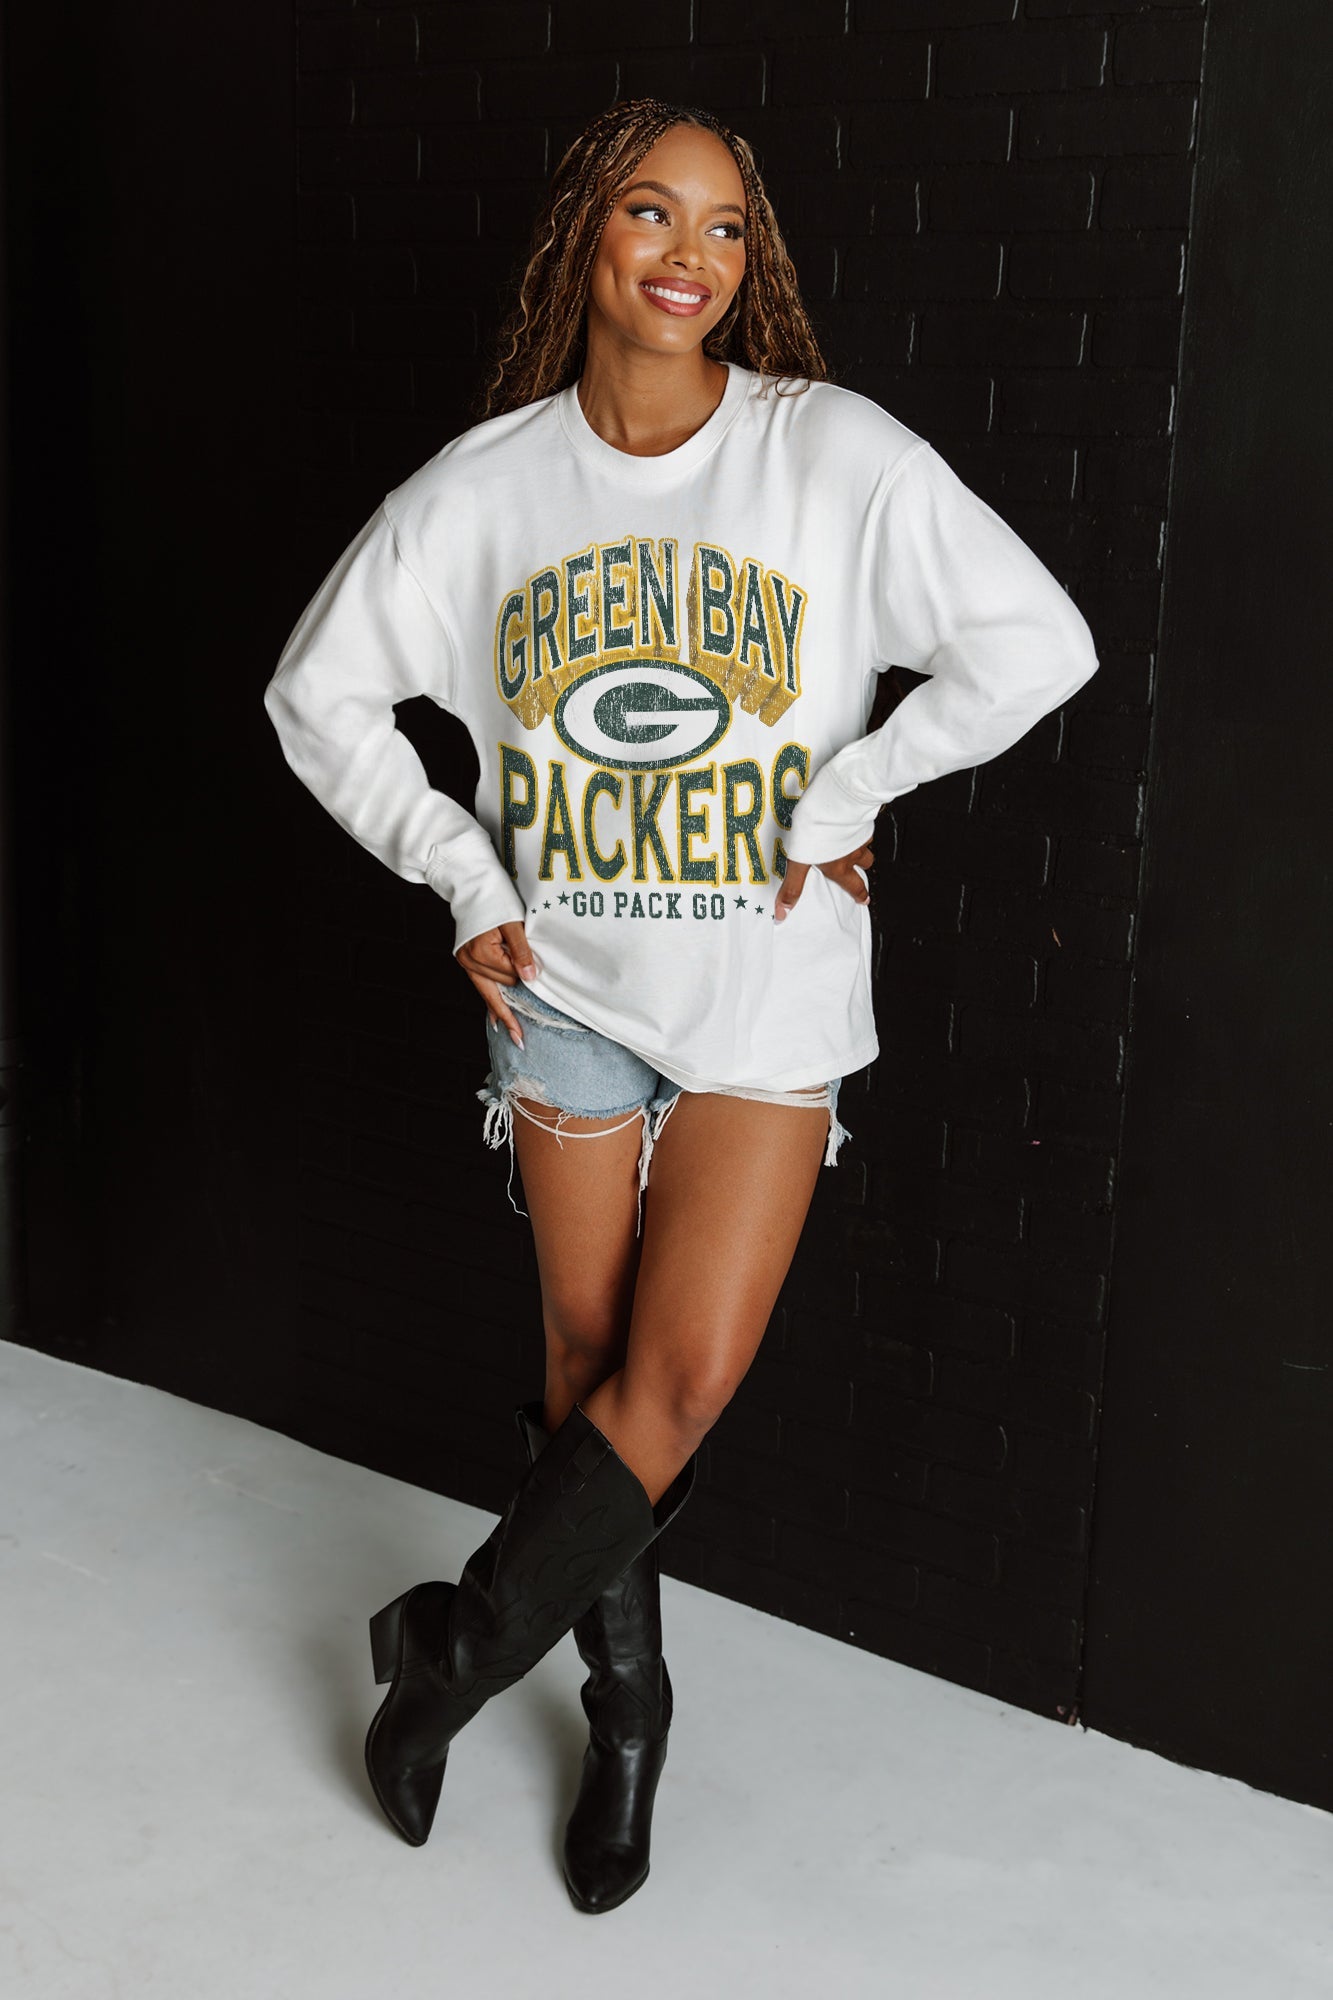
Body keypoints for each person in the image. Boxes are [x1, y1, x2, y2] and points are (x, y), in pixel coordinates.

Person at [263, 96, 1099, 1912]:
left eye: (724, 227)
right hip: (563, 988)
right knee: (587, 1380)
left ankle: (450, 1655)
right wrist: (462, 873)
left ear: (749, 260)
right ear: (588, 229)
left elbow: (1041, 640)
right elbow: (314, 695)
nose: (688, 256)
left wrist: (854, 787)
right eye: (652, 212)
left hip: (763, 1000)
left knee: (682, 1377)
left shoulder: (828, 454)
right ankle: (626, 1711)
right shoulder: (483, 489)